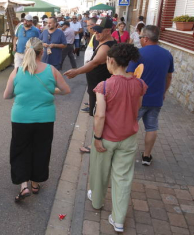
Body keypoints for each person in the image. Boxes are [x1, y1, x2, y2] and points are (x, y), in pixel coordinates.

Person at [88, 43, 147, 233]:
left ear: (111, 60)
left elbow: (100, 115)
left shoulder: (105, 86)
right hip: (129, 137)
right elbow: (137, 108)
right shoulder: (139, 84)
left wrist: (97, 137)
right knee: (123, 178)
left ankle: (97, 201)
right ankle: (119, 220)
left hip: (106, 137)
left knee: (99, 170)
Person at [3, 37, 70, 202]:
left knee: (20, 150)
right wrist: (50, 91)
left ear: (27, 51)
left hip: (20, 118)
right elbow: (66, 90)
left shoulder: (17, 71)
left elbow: (7, 95)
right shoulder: (51, 70)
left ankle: (23, 185)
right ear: (42, 52)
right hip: (45, 119)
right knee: (41, 150)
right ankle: (35, 183)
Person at [126, 25, 174, 166]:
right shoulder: (167, 54)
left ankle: (126, 155)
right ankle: (146, 156)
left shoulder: (138, 54)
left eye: (140, 37)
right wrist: (163, 93)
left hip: (138, 99)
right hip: (156, 98)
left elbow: (129, 76)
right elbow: (169, 77)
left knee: (130, 126)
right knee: (152, 127)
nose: (140, 40)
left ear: (146, 38)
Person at [64, 17, 116, 116]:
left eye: (99, 31)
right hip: (97, 88)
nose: (96, 33)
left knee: (99, 116)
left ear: (108, 31)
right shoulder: (103, 41)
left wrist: (76, 71)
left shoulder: (106, 47)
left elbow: (95, 63)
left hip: (100, 90)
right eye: (95, 30)